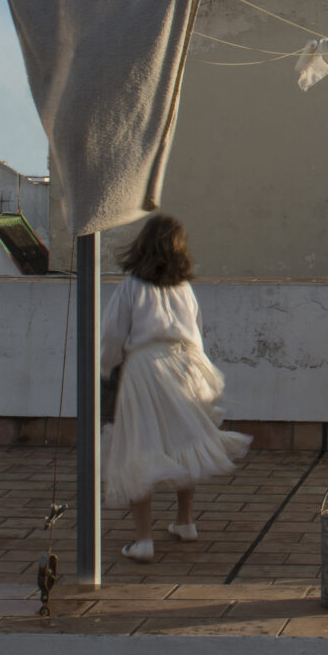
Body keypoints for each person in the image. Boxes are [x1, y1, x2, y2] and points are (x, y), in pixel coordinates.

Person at [99, 215, 251, 562]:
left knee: (140, 447)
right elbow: (196, 332)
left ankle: (143, 540)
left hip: (145, 370)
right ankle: (184, 521)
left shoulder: (132, 287)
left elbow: (111, 336)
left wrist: (107, 368)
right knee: (184, 442)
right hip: (186, 366)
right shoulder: (185, 289)